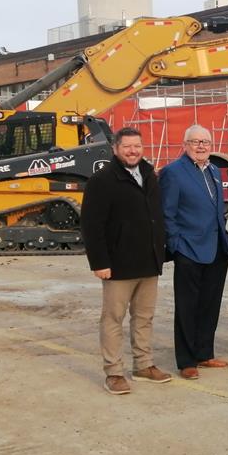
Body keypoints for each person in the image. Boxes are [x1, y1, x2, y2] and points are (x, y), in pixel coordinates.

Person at [81, 127, 170, 395]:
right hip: (118, 264)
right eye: (127, 147)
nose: (133, 151)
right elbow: (91, 225)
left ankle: (143, 364)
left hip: (148, 261)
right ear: (116, 149)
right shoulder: (102, 180)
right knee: (113, 319)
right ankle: (114, 372)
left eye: (137, 146)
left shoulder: (149, 175)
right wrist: (99, 262)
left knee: (144, 317)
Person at [160, 125, 228, 380]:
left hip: (216, 249)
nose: (201, 146)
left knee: (209, 305)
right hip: (189, 249)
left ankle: (205, 353)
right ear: (185, 144)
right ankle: (186, 360)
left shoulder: (213, 170)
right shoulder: (173, 172)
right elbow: (167, 213)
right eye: (195, 142)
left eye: (205, 142)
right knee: (187, 306)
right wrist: (176, 245)